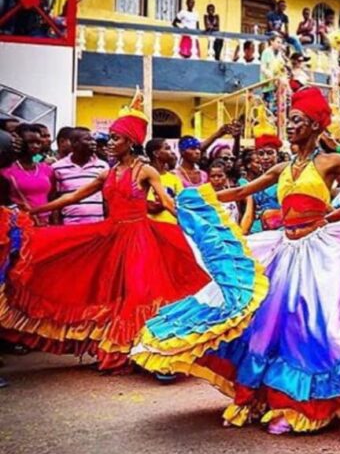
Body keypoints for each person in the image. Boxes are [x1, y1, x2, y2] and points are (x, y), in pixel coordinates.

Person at [132, 87, 340, 435]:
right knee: (265, 326)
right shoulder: (283, 167)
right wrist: (194, 198)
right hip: (283, 250)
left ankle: (302, 405)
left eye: (296, 120)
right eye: (289, 120)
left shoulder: (332, 163)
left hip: (317, 253)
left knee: (311, 329)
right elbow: (239, 192)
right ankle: (259, 397)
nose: (289, 126)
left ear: (315, 126)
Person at [0, 95, 210, 371]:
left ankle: (146, 351)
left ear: (131, 142)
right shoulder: (106, 173)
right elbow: (72, 198)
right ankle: (126, 349)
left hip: (141, 238)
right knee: (110, 293)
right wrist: (33, 211)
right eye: (110, 138)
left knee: (138, 293)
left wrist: (197, 228)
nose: (110, 143)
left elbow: (168, 202)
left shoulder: (145, 170)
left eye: (116, 138)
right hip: (111, 237)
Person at [52, 128, 109, 225]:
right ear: (74, 143)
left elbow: (106, 199)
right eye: (87, 140)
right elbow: (55, 200)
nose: (93, 143)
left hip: (97, 226)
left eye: (93, 140)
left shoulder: (103, 166)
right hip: (69, 227)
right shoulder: (57, 168)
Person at [0, 124, 54, 225]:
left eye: (38, 142)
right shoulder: (6, 171)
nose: (35, 146)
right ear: (18, 142)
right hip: (20, 225)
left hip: (46, 225)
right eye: (30, 142)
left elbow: (53, 197)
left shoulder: (47, 168)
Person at [241, 134, 283, 234]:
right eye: (261, 154)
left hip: (285, 231)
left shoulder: (286, 177)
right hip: (261, 231)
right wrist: (240, 237)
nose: (265, 157)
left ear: (277, 154)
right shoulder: (256, 183)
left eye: (270, 153)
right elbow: (249, 214)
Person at [145, 138, 183, 225]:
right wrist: (170, 201)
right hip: (151, 229)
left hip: (171, 227)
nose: (172, 152)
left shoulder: (174, 178)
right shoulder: (144, 176)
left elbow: (182, 203)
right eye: (167, 148)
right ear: (156, 153)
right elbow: (150, 207)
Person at [208, 159, 240, 224]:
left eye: (220, 176)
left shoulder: (233, 194)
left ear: (226, 177)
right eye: (213, 176)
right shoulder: (205, 197)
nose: (216, 179)